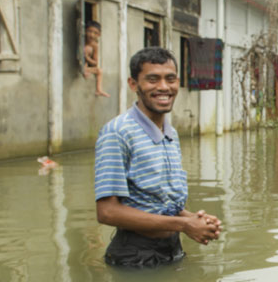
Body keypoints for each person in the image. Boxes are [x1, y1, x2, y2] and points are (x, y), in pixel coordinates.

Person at [94, 47, 222, 267]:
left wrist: (193, 219)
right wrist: (183, 225)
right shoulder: (118, 132)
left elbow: (159, 202)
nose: (163, 87)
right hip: (135, 256)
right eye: (153, 79)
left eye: (170, 79)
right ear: (134, 84)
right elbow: (107, 212)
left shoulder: (170, 134)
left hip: (171, 248)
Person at [83, 20, 110, 97]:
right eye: (89, 31)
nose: (91, 35)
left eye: (95, 33)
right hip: (80, 66)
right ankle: (84, 70)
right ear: (85, 31)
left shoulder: (94, 45)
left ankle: (99, 90)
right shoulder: (81, 41)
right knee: (87, 48)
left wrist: (87, 58)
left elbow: (95, 63)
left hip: (87, 67)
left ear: (99, 35)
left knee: (99, 70)